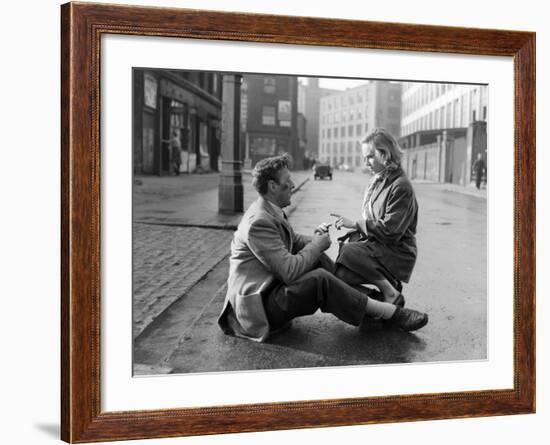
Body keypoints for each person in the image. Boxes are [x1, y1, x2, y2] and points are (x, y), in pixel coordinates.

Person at [217, 153, 428, 342]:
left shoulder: (269, 209)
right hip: (257, 309)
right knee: (319, 280)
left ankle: (375, 306)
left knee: (318, 261)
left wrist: (314, 240)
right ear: (272, 186)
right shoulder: (258, 222)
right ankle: (390, 313)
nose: (292, 184)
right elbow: (289, 272)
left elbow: (291, 239)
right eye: (287, 180)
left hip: (270, 290)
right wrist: (317, 245)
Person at [331, 128, 418, 308]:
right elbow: (373, 219)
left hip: (397, 251)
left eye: (370, 156)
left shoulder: (400, 186)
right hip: (380, 246)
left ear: (385, 154)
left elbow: (390, 231)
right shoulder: (378, 180)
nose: (366, 163)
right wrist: (356, 230)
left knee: (349, 252)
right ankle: (381, 300)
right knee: (340, 275)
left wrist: (356, 224)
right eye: (364, 158)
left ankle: (389, 293)